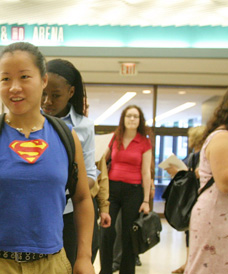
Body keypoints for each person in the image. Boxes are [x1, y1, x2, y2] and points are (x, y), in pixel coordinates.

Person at [0, 42, 95, 274]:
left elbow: (82, 198)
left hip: (51, 264)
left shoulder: (66, 137)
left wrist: (84, 256)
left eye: (24, 77)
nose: (14, 87)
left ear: (43, 81)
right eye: (5, 79)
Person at [41, 58, 111, 267]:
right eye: (44, 94)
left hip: (70, 211)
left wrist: (67, 188)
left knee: (70, 265)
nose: (47, 102)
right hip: (37, 211)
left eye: (56, 96)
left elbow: (90, 172)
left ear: (71, 93)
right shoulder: (31, 120)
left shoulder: (83, 126)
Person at [184, 82, 228, 274]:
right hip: (217, 215)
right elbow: (225, 182)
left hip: (226, 215)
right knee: (212, 267)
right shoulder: (223, 137)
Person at [100, 105, 152, 274]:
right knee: (106, 232)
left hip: (134, 190)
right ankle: (105, 270)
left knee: (129, 234)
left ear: (139, 120)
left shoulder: (144, 142)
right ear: (123, 118)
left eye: (135, 117)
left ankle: (127, 271)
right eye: (128, 116)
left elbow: (146, 172)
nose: (131, 119)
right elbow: (102, 158)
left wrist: (145, 201)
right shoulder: (116, 138)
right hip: (112, 189)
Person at [163, 125, 205, 274]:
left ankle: (190, 263)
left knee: (193, 231)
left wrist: (180, 172)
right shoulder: (193, 156)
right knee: (190, 231)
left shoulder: (202, 156)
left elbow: (198, 175)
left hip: (198, 198)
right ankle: (189, 263)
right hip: (195, 198)